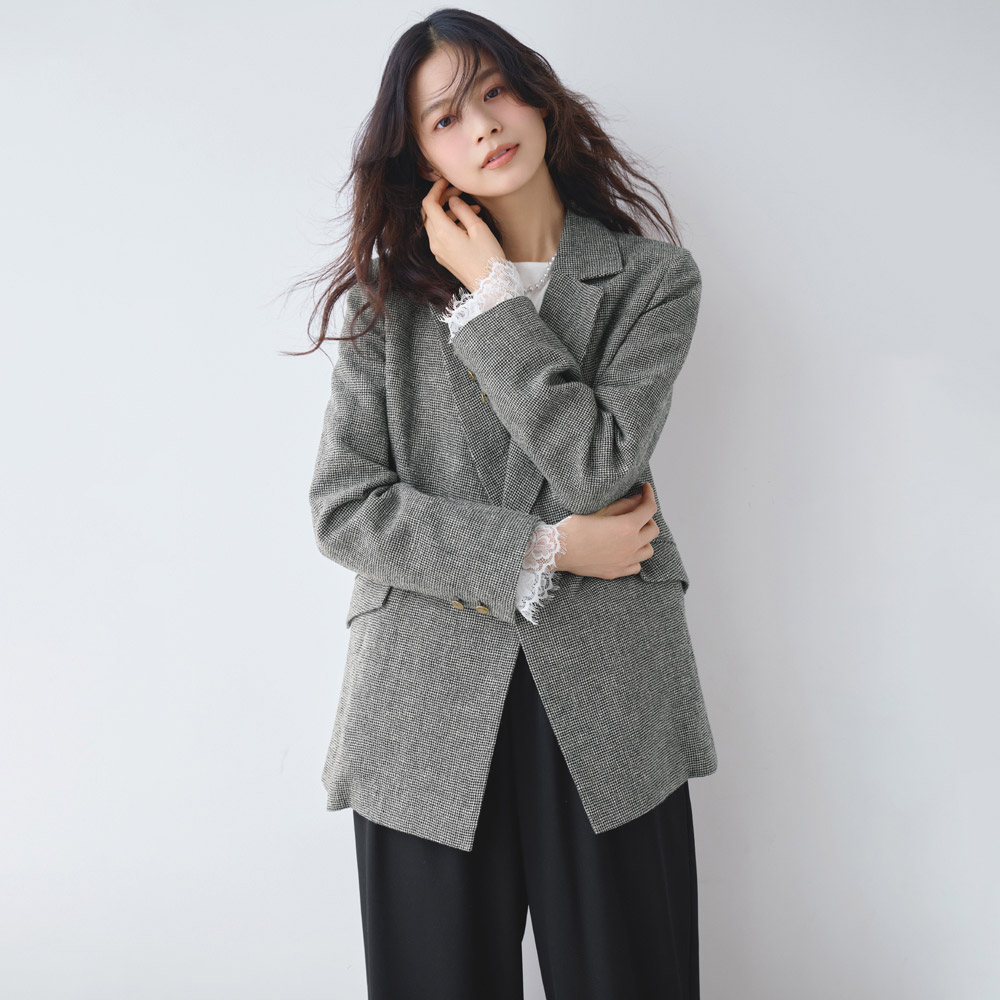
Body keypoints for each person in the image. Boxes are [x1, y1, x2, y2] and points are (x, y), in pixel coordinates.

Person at [288, 8, 718, 998]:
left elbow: (599, 466)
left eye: (494, 91)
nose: (481, 125)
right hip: (423, 703)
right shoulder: (384, 304)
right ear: (419, 157)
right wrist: (545, 550)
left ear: (539, 98)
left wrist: (490, 293)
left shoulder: (650, 281)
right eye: (444, 118)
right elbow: (346, 507)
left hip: (611, 696)